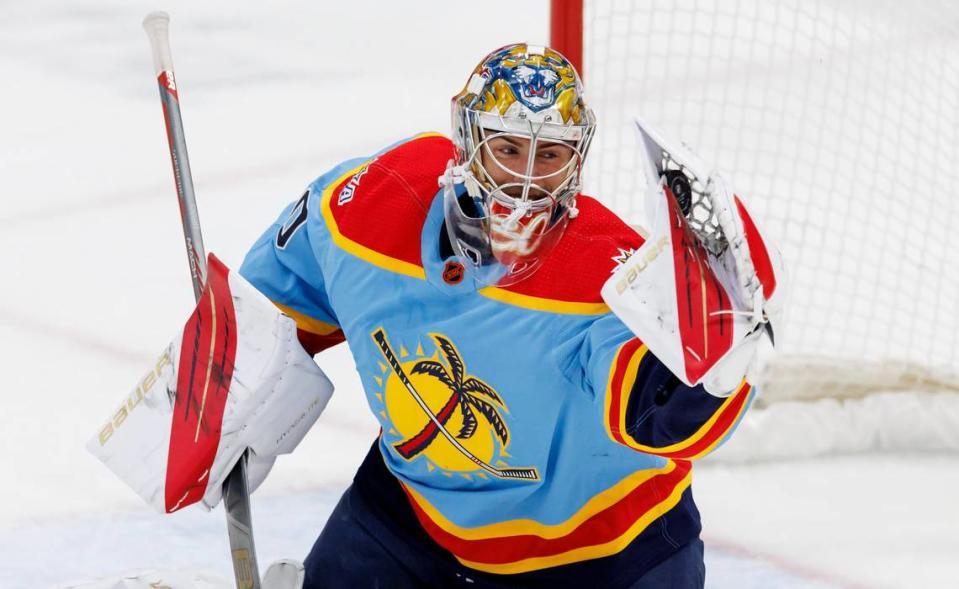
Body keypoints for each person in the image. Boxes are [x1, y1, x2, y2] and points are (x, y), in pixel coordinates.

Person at [239, 43, 782, 589]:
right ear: (469, 141)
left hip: (605, 548)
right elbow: (278, 296)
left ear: (577, 158)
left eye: (549, 154)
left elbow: (652, 414)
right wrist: (221, 385)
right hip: (413, 517)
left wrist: (710, 375)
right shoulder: (374, 202)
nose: (526, 178)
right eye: (508, 148)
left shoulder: (609, 273)